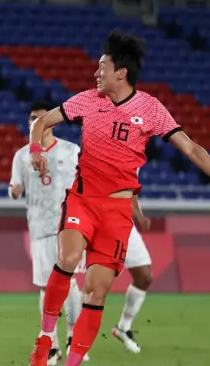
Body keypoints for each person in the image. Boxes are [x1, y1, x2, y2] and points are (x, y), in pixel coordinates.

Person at [29, 30, 210, 366]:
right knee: (68, 260)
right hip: (82, 199)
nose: (96, 73)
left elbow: (189, 147)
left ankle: (73, 361)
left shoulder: (151, 109)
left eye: (102, 67)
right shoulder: (86, 100)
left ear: (121, 73)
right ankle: (44, 336)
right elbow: (42, 121)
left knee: (95, 292)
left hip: (117, 210)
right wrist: (35, 148)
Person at [9, 100, 88, 365]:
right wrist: (14, 192)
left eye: (41, 118)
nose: (36, 122)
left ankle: (74, 337)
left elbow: (85, 183)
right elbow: (14, 188)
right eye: (32, 118)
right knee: (46, 287)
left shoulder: (71, 150)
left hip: (71, 225)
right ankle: (51, 345)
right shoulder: (22, 155)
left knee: (72, 282)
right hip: (40, 227)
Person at [112, 178, 153, 354]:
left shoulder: (136, 155)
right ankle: (66, 341)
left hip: (123, 221)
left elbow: (129, 187)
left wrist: (139, 215)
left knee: (144, 277)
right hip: (95, 218)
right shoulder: (97, 151)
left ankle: (123, 327)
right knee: (91, 282)